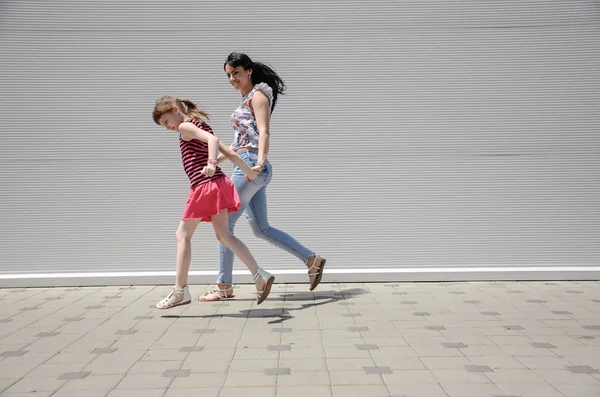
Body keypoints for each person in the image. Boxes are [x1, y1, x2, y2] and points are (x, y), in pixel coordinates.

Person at [198, 52, 326, 302]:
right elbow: (241, 143)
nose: (232, 78)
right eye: (228, 75)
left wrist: (258, 161)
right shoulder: (247, 98)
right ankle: (311, 260)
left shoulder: (257, 96)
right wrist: (215, 161)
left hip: (250, 167)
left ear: (249, 71)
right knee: (261, 229)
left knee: (224, 227)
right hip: (248, 165)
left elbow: (264, 132)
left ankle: (224, 286)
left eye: (236, 73)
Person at [152, 95, 275, 309]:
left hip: (205, 186)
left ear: (173, 109)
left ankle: (180, 291)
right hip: (217, 184)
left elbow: (214, 142)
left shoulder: (186, 126)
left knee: (182, 235)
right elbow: (227, 151)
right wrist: (249, 172)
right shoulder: (199, 124)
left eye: (165, 122)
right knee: (224, 235)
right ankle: (259, 275)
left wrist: (210, 162)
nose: (168, 127)